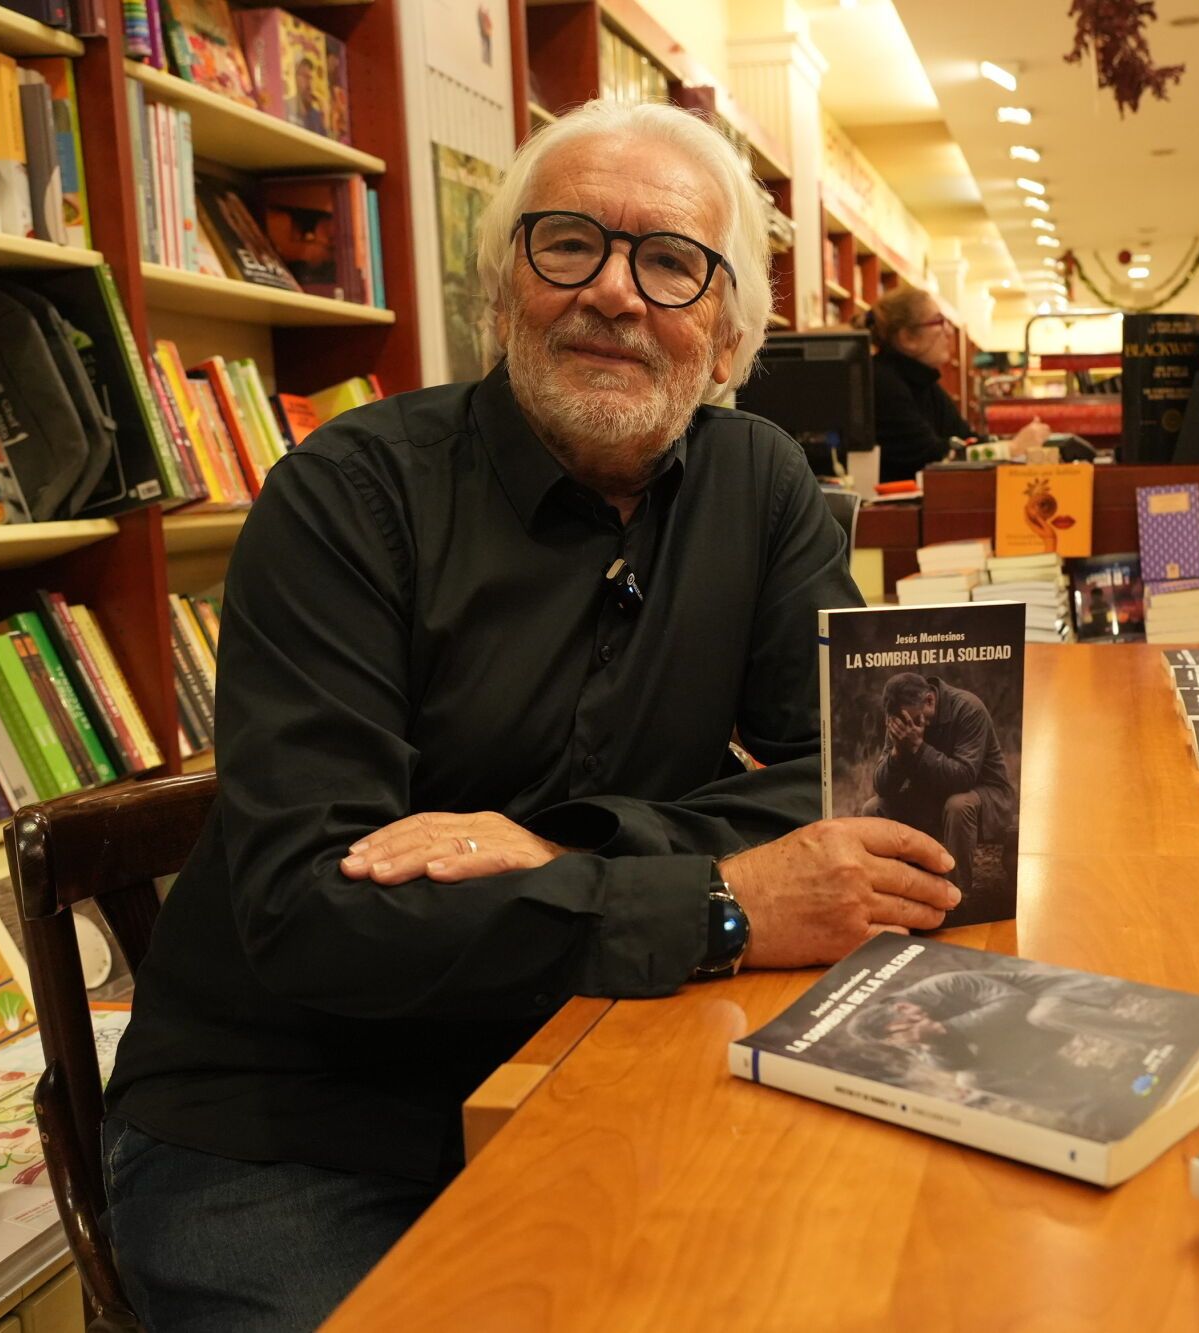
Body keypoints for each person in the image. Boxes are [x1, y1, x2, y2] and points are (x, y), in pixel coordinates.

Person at [99, 101, 965, 1332]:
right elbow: (312, 909)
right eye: (567, 245)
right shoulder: (346, 499)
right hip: (297, 1127)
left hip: (599, 1057)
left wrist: (571, 850)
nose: (613, 293)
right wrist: (716, 905)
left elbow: (857, 764)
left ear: (727, 340)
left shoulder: (756, 481)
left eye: (669, 262)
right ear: (502, 296)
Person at [867, 286, 1047, 482]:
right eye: (939, 322)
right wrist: (1010, 449)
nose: (949, 331)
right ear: (907, 338)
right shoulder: (882, 383)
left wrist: (1012, 442)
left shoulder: (925, 382)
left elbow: (964, 438)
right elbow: (935, 458)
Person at [860, 672, 1014, 895]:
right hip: (933, 798)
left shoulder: (968, 708)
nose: (909, 726)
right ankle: (892, 886)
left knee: (958, 805)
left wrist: (918, 748)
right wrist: (897, 753)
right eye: (903, 722)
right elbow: (883, 788)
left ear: (930, 700)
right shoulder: (903, 718)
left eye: (914, 720)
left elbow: (964, 777)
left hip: (986, 797)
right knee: (873, 808)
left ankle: (956, 893)